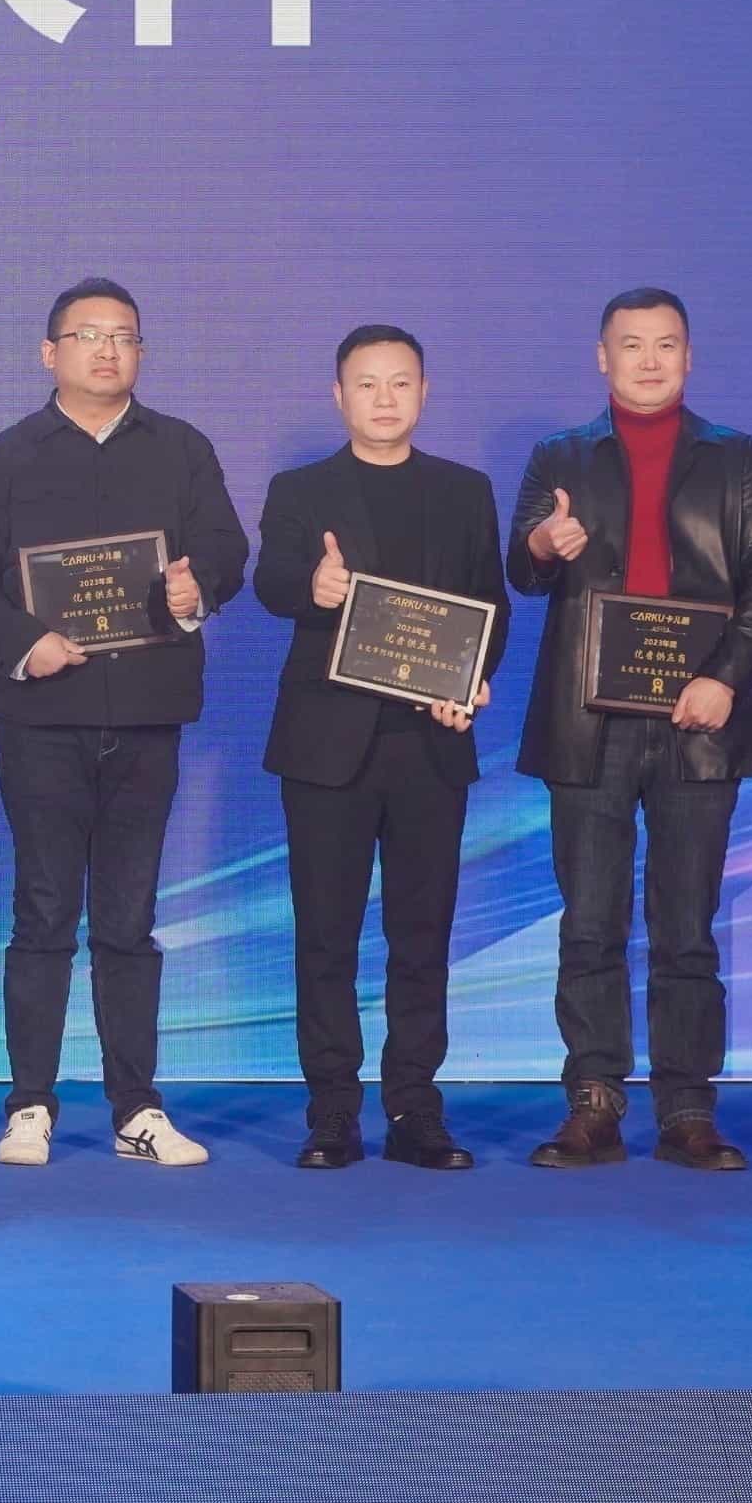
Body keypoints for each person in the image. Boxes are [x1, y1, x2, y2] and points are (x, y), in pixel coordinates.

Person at [0, 276, 249, 1168]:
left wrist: (199, 589)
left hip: (148, 715)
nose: (107, 349)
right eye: (88, 335)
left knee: (128, 920)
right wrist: (24, 643)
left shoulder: (182, 449)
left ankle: (137, 1110)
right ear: (51, 353)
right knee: (43, 913)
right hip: (42, 718)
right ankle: (29, 1106)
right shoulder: (4, 460)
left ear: (140, 353)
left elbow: (226, 549)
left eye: (124, 335)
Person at [505, 288, 752, 1170]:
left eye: (667, 344)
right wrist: (543, 546)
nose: (651, 360)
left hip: (700, 720)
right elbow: (521, 571)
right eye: (632, 345)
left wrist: (725, 680)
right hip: (588, 722)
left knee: (686, 926)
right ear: (603, 357)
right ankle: (593, 1102)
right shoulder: (560, 456)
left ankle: (688, 1109)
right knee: (589, 922)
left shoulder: (734, 456)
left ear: (689, 357)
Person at [254, 323, 509, 1171]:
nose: (385, 398)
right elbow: (269, 582)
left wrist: (472, 681)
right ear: (340, 396)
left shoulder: (465, 491)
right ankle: (332, 1109)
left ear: (424, 392)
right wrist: (313, 586)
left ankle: (415, 1107)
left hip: (430, 744)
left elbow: (491, 606)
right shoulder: (300, 489)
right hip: (327, 745)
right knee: (325, 936)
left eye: (401, 382)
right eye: (367, 384)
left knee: (422, 935)